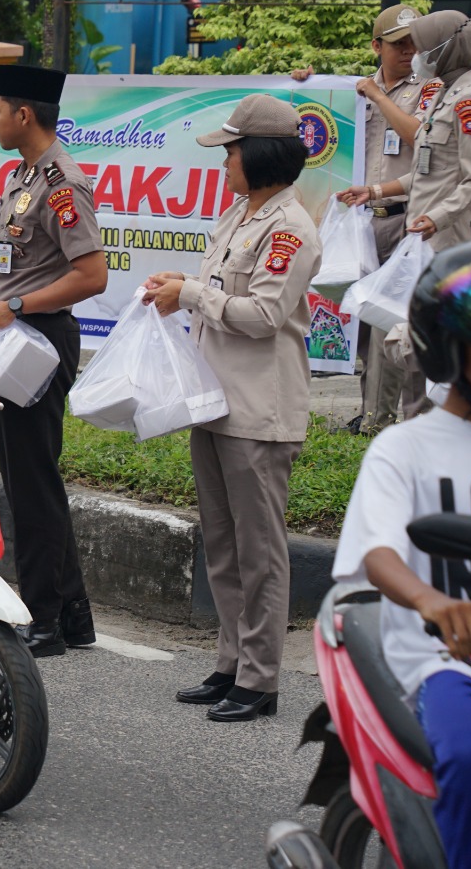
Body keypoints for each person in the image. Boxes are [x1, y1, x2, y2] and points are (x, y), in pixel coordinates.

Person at [332, 242, 471, 869]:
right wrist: (435, 603)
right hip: (449, 667)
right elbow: (378, 553)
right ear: (447, 348)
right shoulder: (406, 448)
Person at [143, 95, 322, 721]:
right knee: (221, 543)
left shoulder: (289, 228)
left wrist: (191, 293)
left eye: (231, 151)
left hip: (258, 412)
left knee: (260, 551)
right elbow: (217, 293)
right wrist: (182, 290)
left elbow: (265, 315)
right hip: (215, 403)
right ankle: (231, 662)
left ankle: (261, 679)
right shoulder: (239, 216)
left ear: (260, 154)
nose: (224, 163)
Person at [0, 65, 107, 656]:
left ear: (23, 115)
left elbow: (91, 275)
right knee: (30, 477)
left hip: (37, 341)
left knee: (32, 484)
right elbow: (21, 257)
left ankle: (44, 620)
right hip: (13, 339)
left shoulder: (64, 185)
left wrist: (18, 306)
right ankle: (73, 615)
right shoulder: (24, 176)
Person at [295, 7, 427, 435]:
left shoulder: (429, 89)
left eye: (414, 41)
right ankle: (373, 415)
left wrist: (378, 95)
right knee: (363, 328)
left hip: (404, 220)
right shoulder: (355, 90)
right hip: (355, 225)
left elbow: (418, 139)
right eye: (398, 42)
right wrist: (306, 86)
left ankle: (382, 421)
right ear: (377, 46)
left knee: (394, 324)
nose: (409, 49)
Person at [341, 11, 471, 252]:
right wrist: (373, 191)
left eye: (423, 46)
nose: (415, 52)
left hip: (446, 238)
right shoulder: (446, 94)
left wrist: (438, 217)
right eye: (401, 43)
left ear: (448, 49)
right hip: (421, 235)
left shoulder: (469, 101)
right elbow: (430, 171)